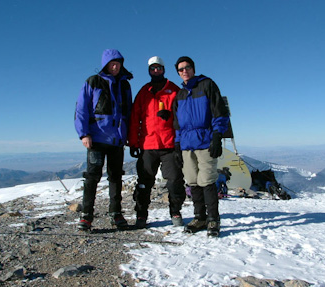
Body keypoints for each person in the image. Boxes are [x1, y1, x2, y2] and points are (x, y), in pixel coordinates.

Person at [74, 49, 133, 231]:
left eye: (118, 63)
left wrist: (128, 135)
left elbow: (128, 112)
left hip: (117, 140)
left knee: (116, 178)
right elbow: (81, 109)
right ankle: (86, 216)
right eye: (111, 63)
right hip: (97, 139)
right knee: (93, 177)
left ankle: (116, 213)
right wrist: (84, 133)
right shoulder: (93, 82)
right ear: (105, 64)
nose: (115, 66)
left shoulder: (124, 85)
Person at [173, 56, 230, 237]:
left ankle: (213, 219)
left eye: (187, 67)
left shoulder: (207, 85)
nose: (184, 71)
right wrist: (177, 143)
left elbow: (219, 111)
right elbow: (176, 123)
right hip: (187, 145)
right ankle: (200, 217)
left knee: (207, 181)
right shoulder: (180, 94)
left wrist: (217, 135)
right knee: (192, 181)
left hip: (205, 141)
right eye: (181, 69)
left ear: (193, 68)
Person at [128, 56, 186, 229]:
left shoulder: (174, 90)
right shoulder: (144, 92)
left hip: (169, 145)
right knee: (144, 182)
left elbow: (183, 116)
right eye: (152, 69)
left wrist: (171, 116)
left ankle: (175, 211)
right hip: (148, 145)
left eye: (159, 68)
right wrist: (133, 143)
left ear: (164, 69)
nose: (156, 71)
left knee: (175, 181)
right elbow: (134, 119)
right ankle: (141, 214)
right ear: (149, 71)